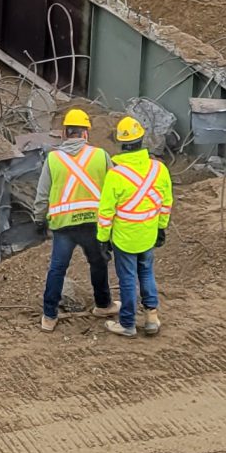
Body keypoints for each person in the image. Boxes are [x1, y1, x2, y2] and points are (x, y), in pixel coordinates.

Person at [36, 107, 113, 333]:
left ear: (64, 134)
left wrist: (39, 219)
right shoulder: (100, 155)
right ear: (86, 134)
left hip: (64, 226)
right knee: (98, 263)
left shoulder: (53, 159)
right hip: (93, 224)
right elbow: (113, 189)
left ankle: (49, 316)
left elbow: (42, 195)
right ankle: (102, 304)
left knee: (57, 269)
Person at [99, 115, 173, 338]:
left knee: (128, 279)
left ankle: (128, 323)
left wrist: (102, 238)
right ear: (142, 141)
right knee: (147, 272)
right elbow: (166, 201)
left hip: (124, 237)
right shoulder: (159, 169)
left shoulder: (115, 174)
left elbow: (106, 212)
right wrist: (161, 227)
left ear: (122, 144)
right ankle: (152, 317)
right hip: (148, 232)